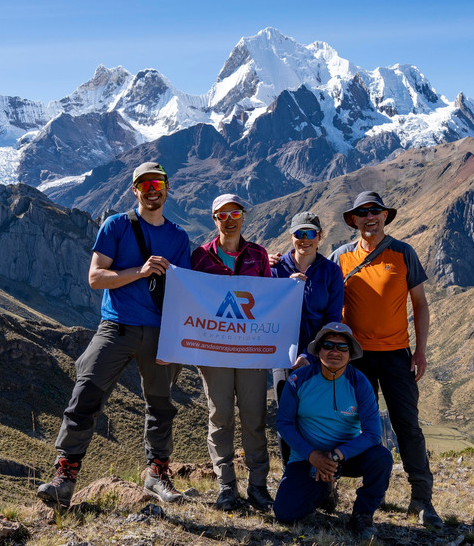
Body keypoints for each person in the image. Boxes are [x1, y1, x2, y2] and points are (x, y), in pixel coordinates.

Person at [36, 162, 191, 509]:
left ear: (167, 188)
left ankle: (157, 473)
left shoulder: (179, 238)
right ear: (134, 190)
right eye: (144, 184)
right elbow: (95, 277)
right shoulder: (116, 226)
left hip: (159, 331)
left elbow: (186, 289)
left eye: (158, 183)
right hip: (116, 326)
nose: (152, 189)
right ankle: (65, 477)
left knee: (161, 405)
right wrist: (140, 271)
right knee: (85, 394)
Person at [330, 191, 443, 527]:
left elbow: (420, 304)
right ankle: (328, 488)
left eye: (375, 211)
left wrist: (420, 351)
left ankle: (421, 499)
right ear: (354, 220)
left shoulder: (403, 253)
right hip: (354, 360)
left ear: (384, 216)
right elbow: (319, 294)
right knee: (346, 425)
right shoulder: (340, 257)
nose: (370, 217)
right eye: (363, 213)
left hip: (396, 356)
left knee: (407, 425)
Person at [191, 193, 274, 511]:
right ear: (214, 219)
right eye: (222, 214)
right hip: (215, 353)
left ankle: (257, 487)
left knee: (254, 417)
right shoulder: (200, 257)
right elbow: (191, 298)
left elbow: (268, 298)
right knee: (220, 416)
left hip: (251, 351)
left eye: (235, 213)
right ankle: (226, 487)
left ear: (244, 216)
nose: (229, 219)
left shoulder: (259, 255)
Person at [273, 323, 393, 539]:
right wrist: (312, 455)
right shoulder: (298, 380)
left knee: (381, 458)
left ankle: (363, 514)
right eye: (328, 345)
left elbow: (372, 434)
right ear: (318, 350)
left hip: (347, 455)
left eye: (342, 347)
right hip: (307, 458)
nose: (334, 352)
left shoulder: (359, 383)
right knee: (285, 514)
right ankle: (324, 488)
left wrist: (335, 455)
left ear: (350, 353)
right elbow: (284, 424)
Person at [269, 211, 344, 465]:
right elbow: (262, 308)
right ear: (291, 236)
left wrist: (308, 355)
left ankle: (324, 480)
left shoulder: (331, 272)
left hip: (319, 359)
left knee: (318, 419)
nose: (305, 239)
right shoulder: (275, 269)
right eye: (299, 234)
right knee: (287, 419)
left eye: (310, 234)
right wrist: (284, 288)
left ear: (320, 237)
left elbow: (333, 321)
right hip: (282, 358)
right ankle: (292, 476)